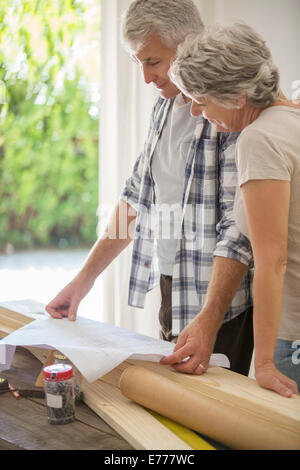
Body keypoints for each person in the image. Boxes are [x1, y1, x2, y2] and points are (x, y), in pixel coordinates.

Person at [46, 0, 254, 377]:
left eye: (153, 62)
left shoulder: (228, 107)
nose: (146, 78)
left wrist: (209, 318)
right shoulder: (164, 105)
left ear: (188, 43)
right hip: (172, 282)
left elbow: (238, 227)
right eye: (137, 63)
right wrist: (82, 283)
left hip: (219, 301)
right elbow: (135, 198)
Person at [168, 21, 300, 396]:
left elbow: (272, 259)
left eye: (201, 98)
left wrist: (264, 364)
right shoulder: (292, 119)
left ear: (238, 96)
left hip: (293, 340)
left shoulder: (259, 139)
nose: (195, 111)